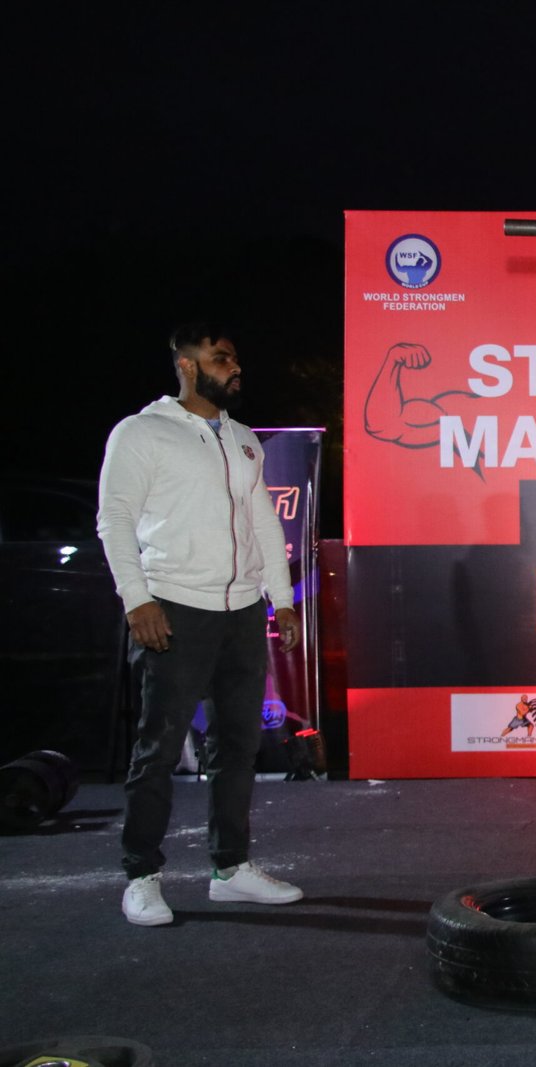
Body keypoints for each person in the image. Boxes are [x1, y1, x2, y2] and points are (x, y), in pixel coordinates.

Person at [98, 322, 305, 926]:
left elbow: (264, 522)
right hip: (174, 607)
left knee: (237, 746)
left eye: (235, 358)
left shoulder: (242, 438)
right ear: (187, 366)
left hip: (241, 612)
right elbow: (115, 518)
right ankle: (141, 875)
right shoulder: (142, 432)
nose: (234, 368)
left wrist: (281, 599)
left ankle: (230, 869)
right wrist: (137, 601)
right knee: (158, 749)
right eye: (221, 359)